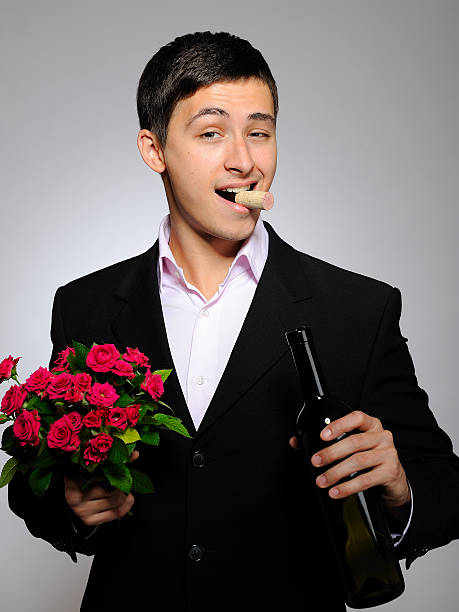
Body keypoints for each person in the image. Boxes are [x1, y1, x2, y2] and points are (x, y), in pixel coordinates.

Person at [8, 31, 459, 612]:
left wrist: (398, 485)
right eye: (211, 132)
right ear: (154, 150)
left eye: (261, 132)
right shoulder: (85, 306)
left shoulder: (359, 309)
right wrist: (70, 503)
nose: (244, 160)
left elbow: (444, 491)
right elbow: (32, 481)